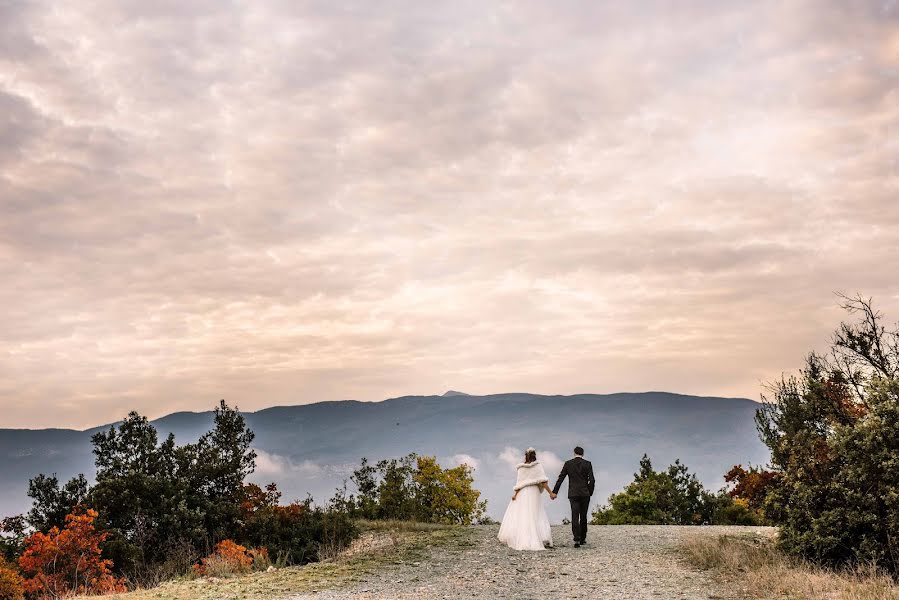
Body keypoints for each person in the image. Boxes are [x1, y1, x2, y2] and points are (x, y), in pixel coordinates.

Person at [497, 447, 557, 551]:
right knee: (536, 514)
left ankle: (523, 537)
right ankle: (540, 537)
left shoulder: (521, 468)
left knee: (524, 514)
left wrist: (515, 495)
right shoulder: (538, 466)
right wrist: (550, 493)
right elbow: (543, 482)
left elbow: (519, 483)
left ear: (525, 455)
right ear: (535, 455)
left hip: (523, 493)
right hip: (534, 492)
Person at [552, 446, 595, 548]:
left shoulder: (568, 464)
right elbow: (592, 480)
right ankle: (583, 539)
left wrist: (555, 492)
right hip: (585, 494)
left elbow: (561, 478)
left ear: (574, 453)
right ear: (583, 454)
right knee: (583, 516)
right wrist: (590, 492)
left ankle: (576, 539)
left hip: (573, 493)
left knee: (575, 516)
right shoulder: (587, 464)